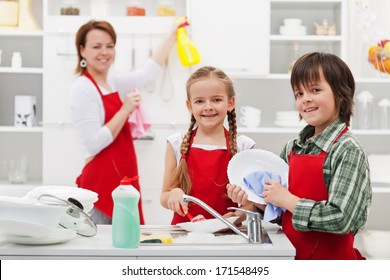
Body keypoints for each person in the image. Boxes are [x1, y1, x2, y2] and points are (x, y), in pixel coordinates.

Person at [227, 52, 372, 260]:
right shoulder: (292, 149)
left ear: (341, 94)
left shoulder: (346, 149)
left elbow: (340, 218)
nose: (306, 99)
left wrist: (288, 200)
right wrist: (256, 201)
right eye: (299, 94)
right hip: (293, 258)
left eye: (315, 89)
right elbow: (283, 215)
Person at [70, 19, 183, 224]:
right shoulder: (83, 88)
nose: (104, 52)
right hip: (101, 184)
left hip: (121, 179)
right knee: (103, 248)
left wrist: (172, 34)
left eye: (109, 46)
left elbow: (146, 75)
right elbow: (93, 143)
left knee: (125, 243)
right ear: (82, 50)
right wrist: (125, 109)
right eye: (96, 46)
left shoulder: (110, 82)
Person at [160, 66, 256, 225]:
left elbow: (255, 202)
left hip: (227, 236)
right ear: (189, 106)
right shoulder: (176, 143)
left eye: (216, 100)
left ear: (231, 102)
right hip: (184, 237)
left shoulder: (244, 147)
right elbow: (164, 195)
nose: (208, 107)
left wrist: (235, 217)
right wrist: (173, 194)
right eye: (199, 101)